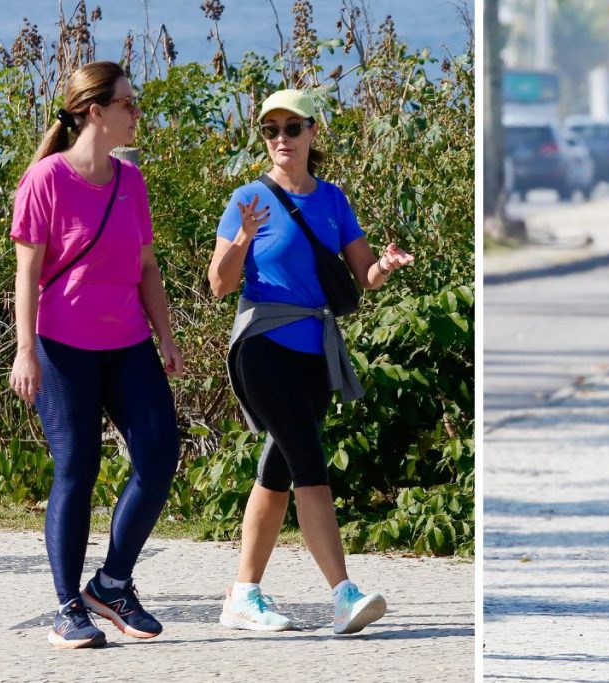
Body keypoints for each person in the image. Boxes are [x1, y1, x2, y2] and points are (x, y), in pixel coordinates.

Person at [208, 89, 414, 635]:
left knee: (277, 469)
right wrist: (243, 238)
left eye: (292, 128)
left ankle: (242, 594)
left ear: (312, 133)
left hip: (317, 352)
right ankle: (343, 592)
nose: (281, 139)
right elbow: (219, 284)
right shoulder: (248, 198)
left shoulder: (333, 201)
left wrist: (386, 267)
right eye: (271, 130)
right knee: (309, 462)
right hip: (263, 345)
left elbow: (363, 276)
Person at [9, 61, 183, 649]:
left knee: (159, 456)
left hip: (129, 342)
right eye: (129, 104)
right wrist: (25, 351)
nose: (137, 113)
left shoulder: (131, 180)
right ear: (95, 112)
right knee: (76, 470)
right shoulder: (46, 180)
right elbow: (27, 277)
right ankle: (67, 607)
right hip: (62, 349)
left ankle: (111, 584)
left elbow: (147, 268)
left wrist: (166, 335)